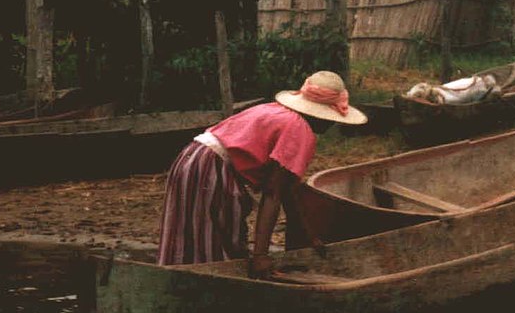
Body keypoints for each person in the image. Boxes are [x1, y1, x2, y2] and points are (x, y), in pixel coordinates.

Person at [156, 70, 367, 277]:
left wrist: (309, 235)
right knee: (221, 241)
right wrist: (260, 255)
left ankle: (182, 282)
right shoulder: (299, 129)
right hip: (212, 167)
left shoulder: (277, 111)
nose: (331, 124)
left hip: (192, 157)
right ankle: (214, 289)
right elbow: (273, 193)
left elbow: (288, 190)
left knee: (192, 234)